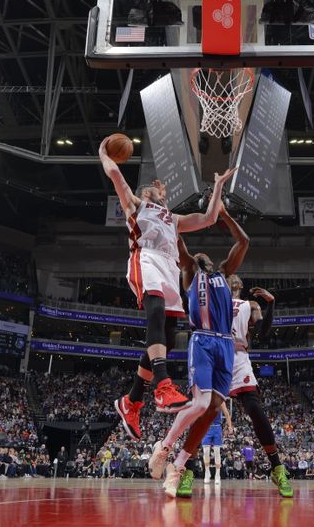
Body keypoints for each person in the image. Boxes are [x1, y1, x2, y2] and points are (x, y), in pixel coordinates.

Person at [100, 136, 236, 440]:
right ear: (143, 194)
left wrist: (217, 188)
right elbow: (115, 175)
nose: (156, 189)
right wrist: (103, 153)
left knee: (169, 338)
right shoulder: (136, 205)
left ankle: (131, 401)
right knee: (157, 314)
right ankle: (162, 385)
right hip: (145, 258)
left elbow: (210, 218)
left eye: (158, 190)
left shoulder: (172, 218)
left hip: (169, 267)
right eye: (151, 188)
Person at [148, 197, 247, 498]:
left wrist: (226, 216)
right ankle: (165, 448)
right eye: (197, 252)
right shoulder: (190, 271)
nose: (202, 253)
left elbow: (244, 241)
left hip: (226, 344)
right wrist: (164, 207)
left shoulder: (225, 274)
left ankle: (178, 466)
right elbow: (175, 237)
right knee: (202, 404)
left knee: (214, 407)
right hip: (203, 340)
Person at [226, 274, 293, 497]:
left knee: (255, 410)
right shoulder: (216, 301)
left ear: (241, 286)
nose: (231, 278)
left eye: (235, 277)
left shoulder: (250, 304)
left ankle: (277, 467)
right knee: (203, 411)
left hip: (239, 358)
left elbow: (263, 332)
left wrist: (271, 303)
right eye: (228, 276)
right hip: (216, 356)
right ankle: (185, 470)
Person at [202, 400, 233, 485]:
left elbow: (226, 413)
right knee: (206, 452)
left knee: (217, 452)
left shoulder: (220, 400)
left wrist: (230, 426)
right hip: (206, 427)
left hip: (217, 428)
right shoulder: (204, 398)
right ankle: (207, 472)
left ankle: (217, 475)